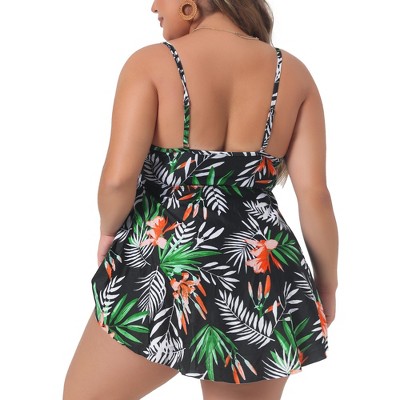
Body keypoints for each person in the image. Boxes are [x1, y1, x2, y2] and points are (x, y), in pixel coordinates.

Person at [63, 0, 338, 399]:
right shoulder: (293, 73)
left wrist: (108, 232)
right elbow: (315, 197)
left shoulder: (150, 64)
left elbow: (118, 180)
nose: (153, 6)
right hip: (259, 275)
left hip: (165, 261)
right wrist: (326, 285)